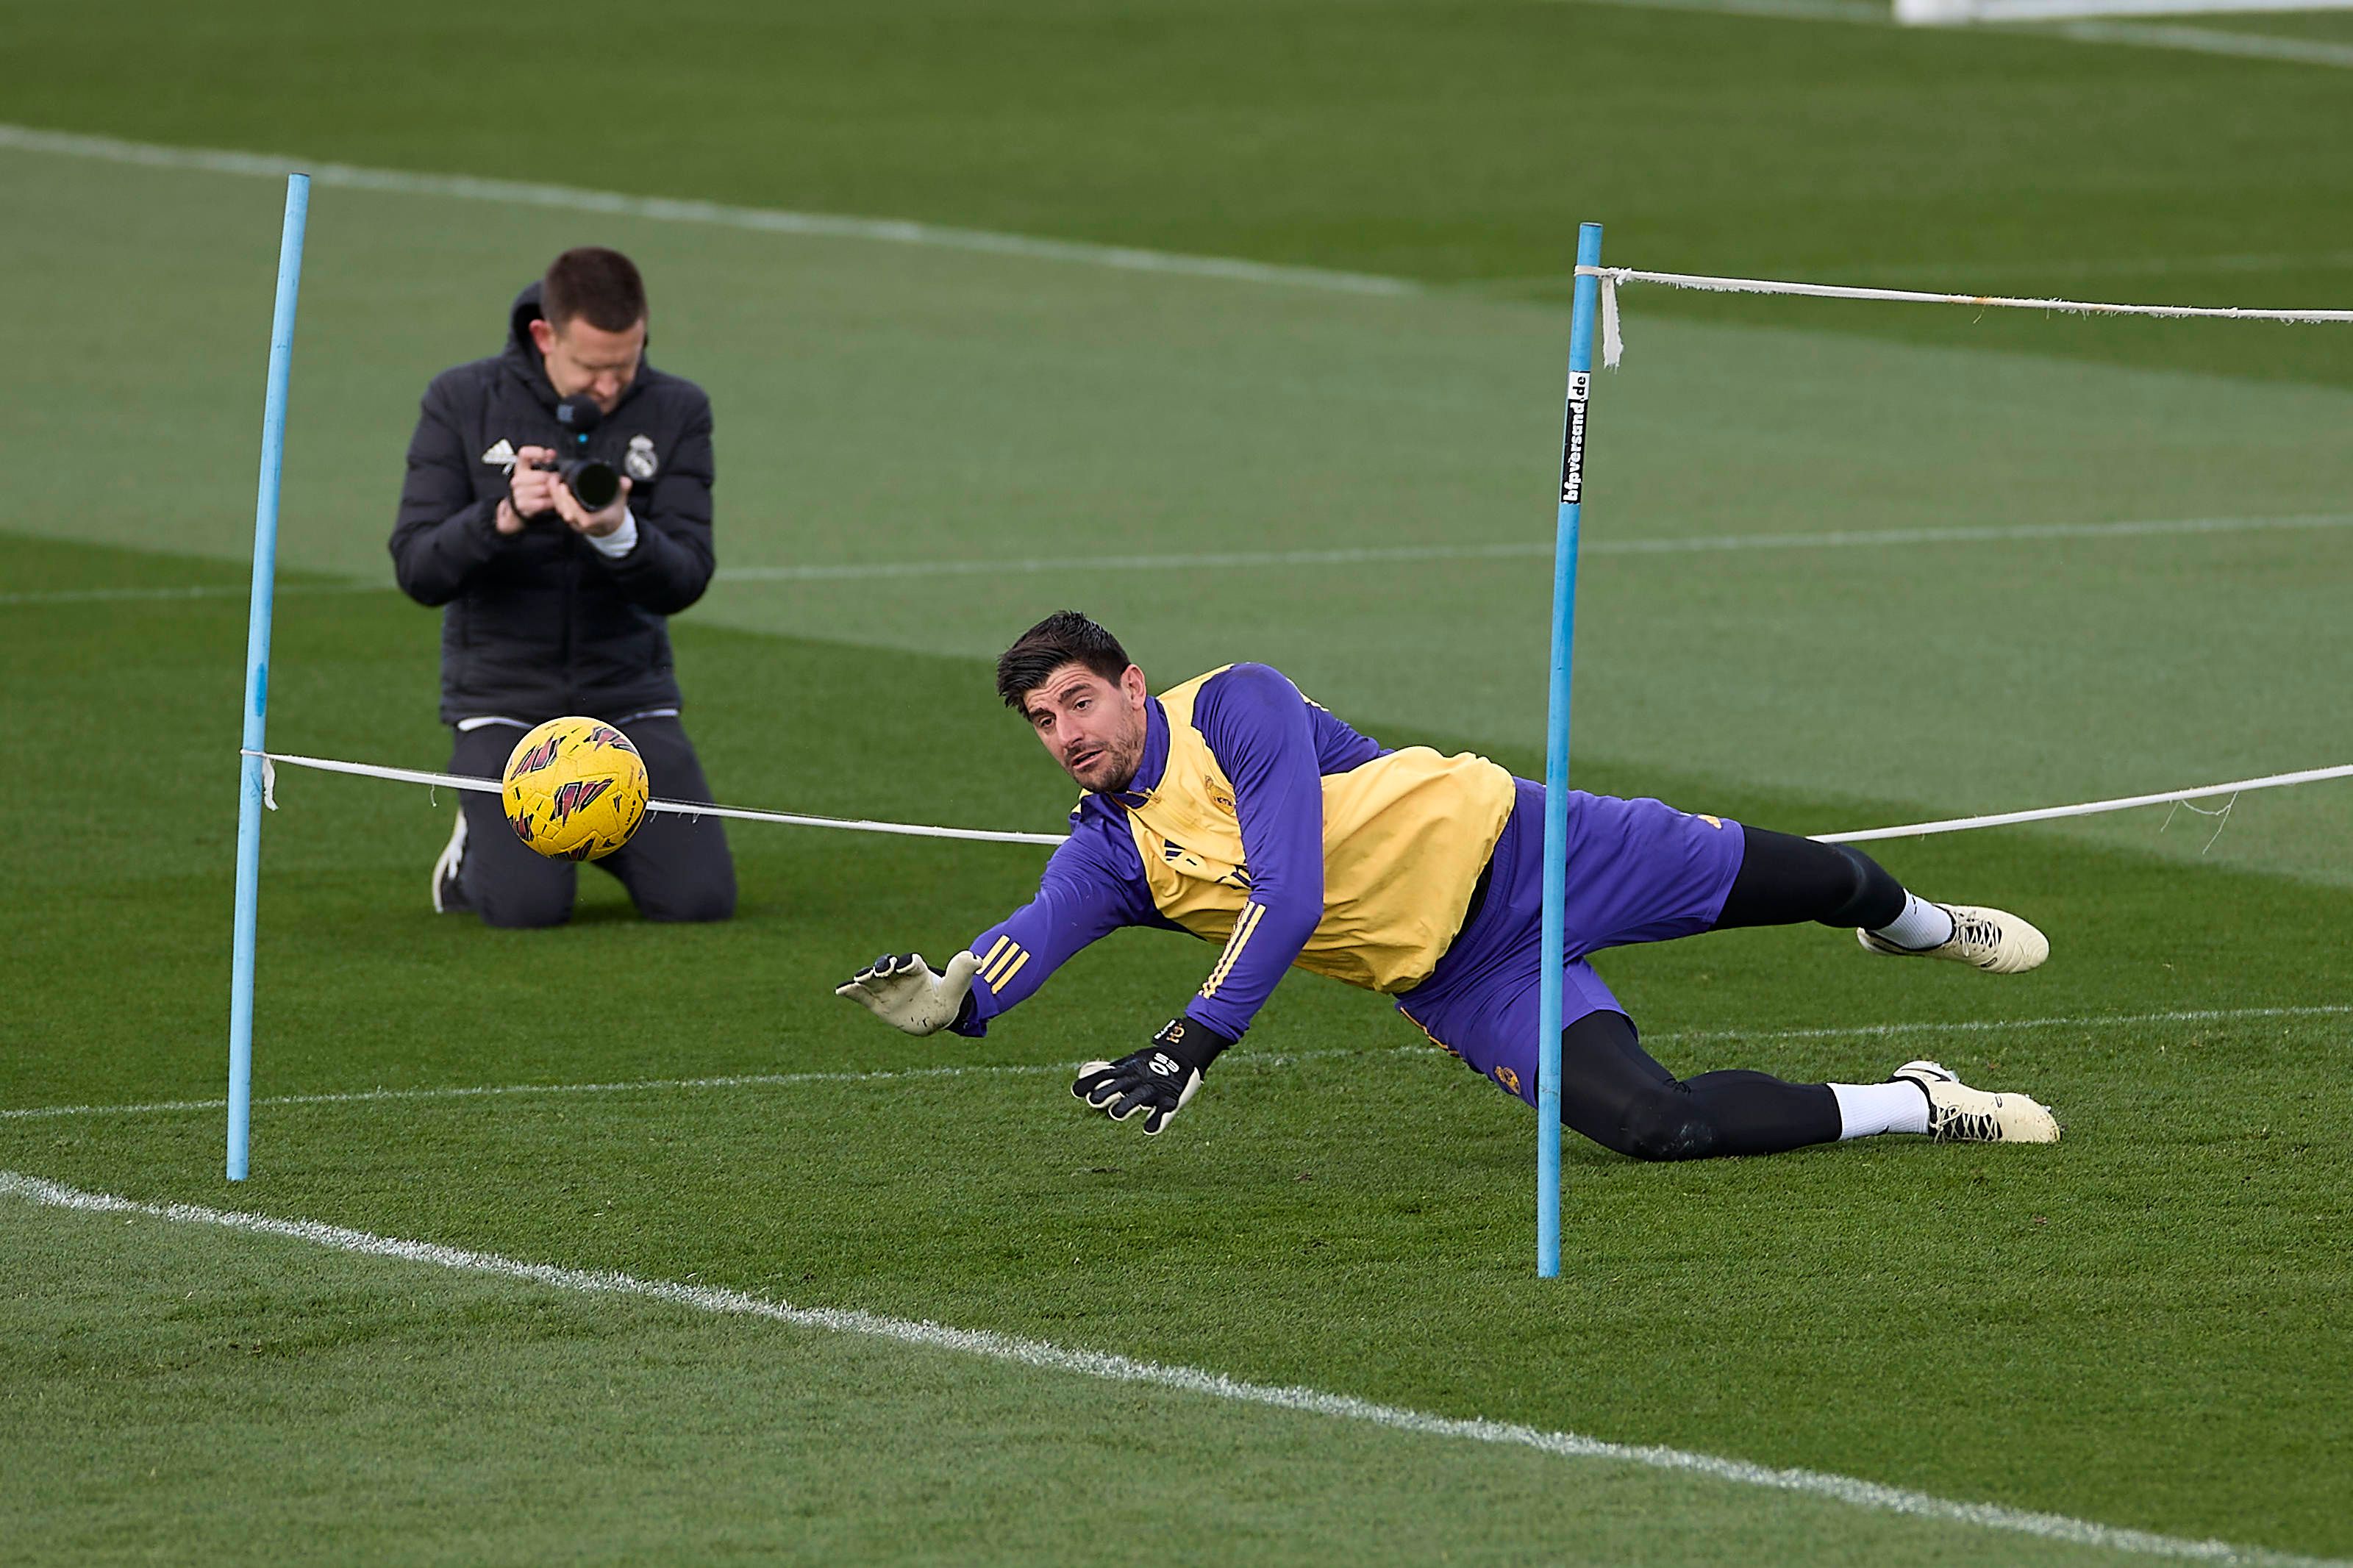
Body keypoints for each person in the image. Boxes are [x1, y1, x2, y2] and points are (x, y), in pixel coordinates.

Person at [837, 610, 2061, 1156]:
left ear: (1129, 681)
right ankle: (1920, 1100)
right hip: (1464, 973)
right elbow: (1034, 929)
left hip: (1534, 845)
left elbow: (1295, 894)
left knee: (1823, 878)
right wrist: (962, 998)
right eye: (1043, 722)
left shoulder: (1237, 703)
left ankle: (1921, 928)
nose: (1066, 733)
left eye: (1079, 702)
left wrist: (1192, 1039)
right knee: (1659, 1127)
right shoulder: (1107, 849)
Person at [391, 246, 735, 928]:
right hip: (503, 702)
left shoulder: (677, 409)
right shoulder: (462, 400)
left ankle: (594, 836)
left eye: (626, 363)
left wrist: (619, 533)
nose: (610, 385)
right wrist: (505, 515)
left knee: (699, 901)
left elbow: (688, 574)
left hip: (630, 702)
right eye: (592, 367)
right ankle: (475, 848)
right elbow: (418, 567)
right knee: (526, 909)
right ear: (544, 336)